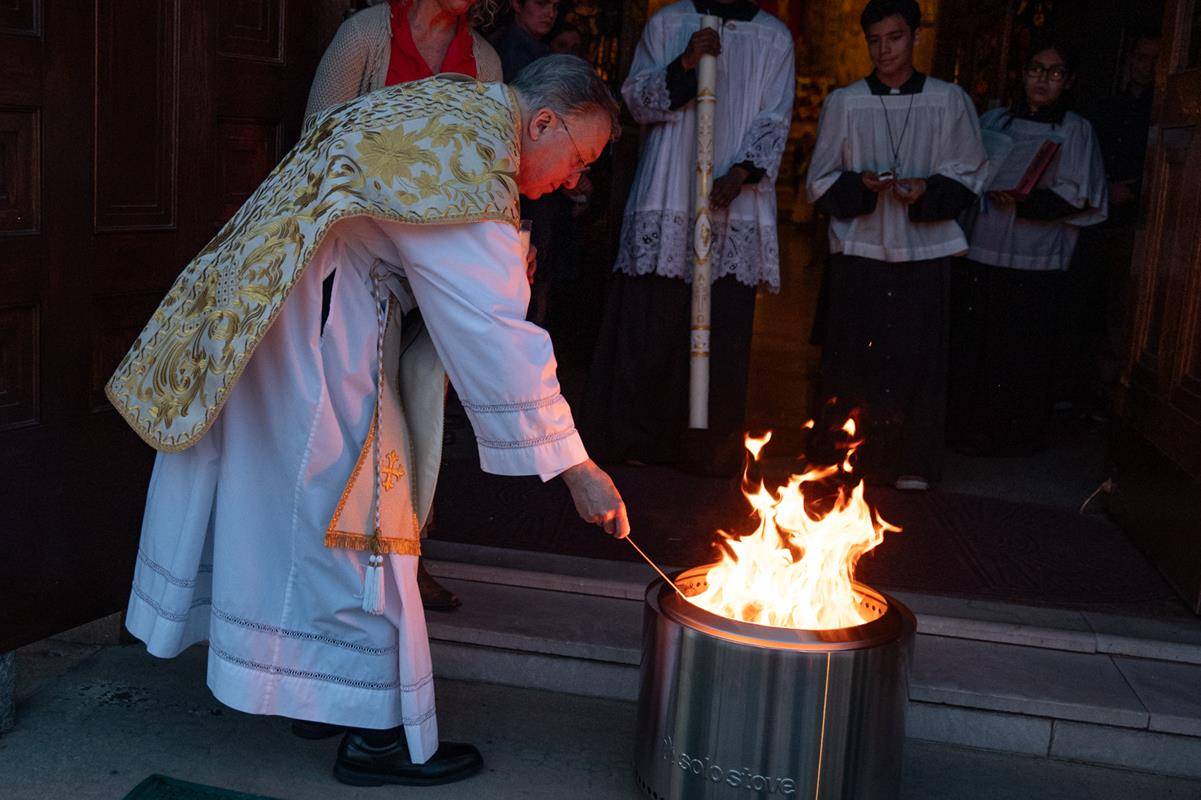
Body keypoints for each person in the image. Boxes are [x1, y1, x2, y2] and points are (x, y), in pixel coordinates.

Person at [107, 56, 626, 787]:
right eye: (578, 158)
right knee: (355, 529)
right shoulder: (470, 162)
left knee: (294, 522)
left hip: (269, 310)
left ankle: (316, 692)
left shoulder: (452, 106)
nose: (574, 179)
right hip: (314, 337)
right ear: (542, 122)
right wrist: (577, 469)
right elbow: (493, 332)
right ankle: (375, 733)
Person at [304, 0, 503, 612]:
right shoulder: (366, 37)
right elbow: (318, 143)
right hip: (364, 256)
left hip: (440, 265)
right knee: (372, 399)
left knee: (427, 391)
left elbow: (490, 168)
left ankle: (410, 551)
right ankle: (354, 559)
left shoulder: (486, 61)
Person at [584, 0, 795, 474]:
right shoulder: (667, 22)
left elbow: (774, 116)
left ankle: (707, 451)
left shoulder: (774, 39)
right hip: (670, 192)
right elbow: (636, 100)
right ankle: (635, 442)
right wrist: (683, 64)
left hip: (732, 200)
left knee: (720, 332)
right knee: (651, 323)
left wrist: (740, 173)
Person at [806, 0, 987, 491]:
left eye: (895, 38)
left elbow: (969, 171)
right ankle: (843, 460)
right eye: (875, 40)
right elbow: (820, 180)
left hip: (923, 253)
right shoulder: (845, 102)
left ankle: (911, 461)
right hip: (861, 249)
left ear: (915, 37)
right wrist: (861, 184)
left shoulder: (949, 100)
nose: (884, 50)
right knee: (851, 359)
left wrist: (928, 190)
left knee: (918, 361)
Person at [949, 38, 1108, 455]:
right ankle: (967, 427)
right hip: (984, 245)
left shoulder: (1075, 128)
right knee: (976, 342)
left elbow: (1080, 193)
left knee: (1022, 350)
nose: (1043, 80)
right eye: (1036, 69)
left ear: (1069, 81)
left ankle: (1012, 435)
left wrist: (1026, 199)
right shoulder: (995, 120)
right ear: (1024, 73)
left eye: (1055, 73)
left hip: (1035, 256)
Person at [1056, 30, 1159, 418]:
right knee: (1084, 302)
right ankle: (1072, 389)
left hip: (1137, 220)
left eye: (1154, 60)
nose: (1145, 66)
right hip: (1095, 217)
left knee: (1122, 308)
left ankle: (1106, 395)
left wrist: (1133, 188)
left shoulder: (1160, 110)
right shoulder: (1105, 109)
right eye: (1140, 57)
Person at [491, 0, 561, 82]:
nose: (551, 14)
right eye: (540, 3)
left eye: (555, 6)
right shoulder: (512, 51)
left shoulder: (533, 48)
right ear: (517, 4)